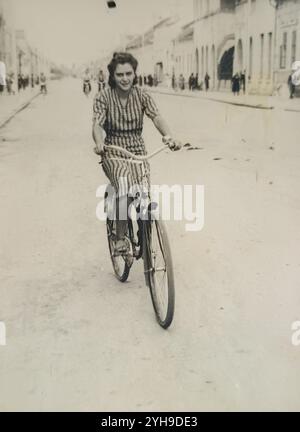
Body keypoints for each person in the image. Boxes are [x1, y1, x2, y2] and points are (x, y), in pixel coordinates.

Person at [92, 52, 181, 253]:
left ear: (134, 74)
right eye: (120, 74)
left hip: (137, 149)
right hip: (113, 149)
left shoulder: (141, 95)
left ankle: (144, 233)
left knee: (142, 193)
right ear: (112, 76)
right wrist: (99, 142)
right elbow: (97, 125)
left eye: (129, 74)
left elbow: (156, 117)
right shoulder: (103, 97)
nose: (125, 79)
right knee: (124, 186)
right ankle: (120, 237)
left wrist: (169, 136)